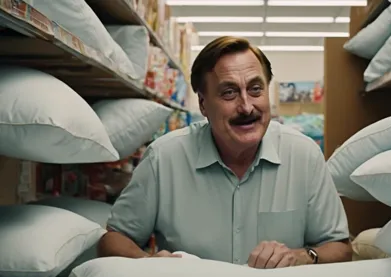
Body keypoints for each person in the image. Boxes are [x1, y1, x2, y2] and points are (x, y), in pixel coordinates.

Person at [98, 36, 352, 269]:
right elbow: (114, 239)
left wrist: (302, 256)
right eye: (229, 92)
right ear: (203, 104)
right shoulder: (164, 159)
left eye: (255, 89)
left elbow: (341, 247)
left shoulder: (304, 155)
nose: (246, 106)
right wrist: (149, 262)